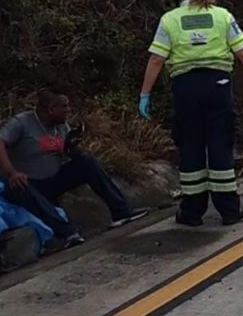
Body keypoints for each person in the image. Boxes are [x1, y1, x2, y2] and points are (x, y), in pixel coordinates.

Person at [138, 0, 243, 227]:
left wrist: (145, 94)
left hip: (185, 88)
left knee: (191, 147)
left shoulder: (170, 19)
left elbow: (156, 59)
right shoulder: (222, 16)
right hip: (218, 86)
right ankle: (229, 211)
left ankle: (192, 212)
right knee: (220, 145)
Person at [0, 90, 148, 248]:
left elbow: (67, 153)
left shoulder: (61, 126)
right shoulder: (22, 122)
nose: (68, 110)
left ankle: (121, 211)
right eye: (64, 107)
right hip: (26, 184)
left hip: (50, 179)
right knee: (20, 185)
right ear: (51, 109)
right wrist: (12, 172)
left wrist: (74, 148)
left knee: (87, 162)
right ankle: (67, 233)